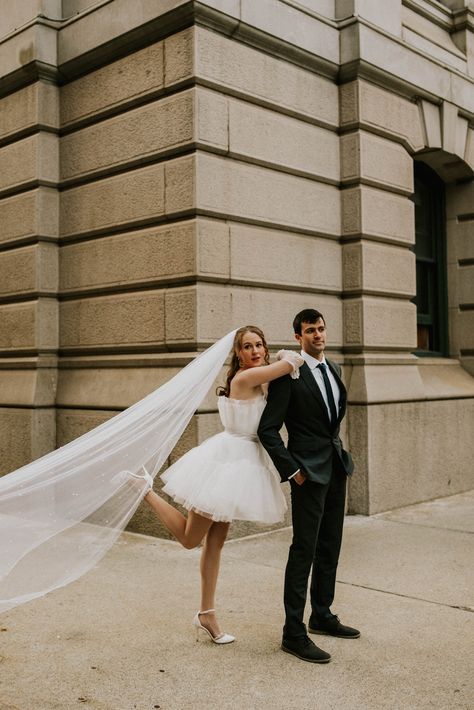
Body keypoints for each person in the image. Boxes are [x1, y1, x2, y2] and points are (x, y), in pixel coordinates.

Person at [141, 326, 304, 645]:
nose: (256, 351)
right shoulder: (245, 379)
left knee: (215, 544)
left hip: (238, 464)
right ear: (238, 354)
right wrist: (286, 355)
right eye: (248, 347)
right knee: (191, 539)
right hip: (225, 464)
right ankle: (143, 490)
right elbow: (292, 363)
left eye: (260, 345)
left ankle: (206, 614)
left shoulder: (255, 378)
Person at [257, 309, 360, 664]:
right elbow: (268, 429)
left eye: (321, 328)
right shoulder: (290, 376)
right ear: (298, 336)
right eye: (310, 331)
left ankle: (322, 615)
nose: (318, 335)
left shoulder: (334, 369)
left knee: (330, 545)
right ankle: (293, 633)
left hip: (334, 468)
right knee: (304, 549)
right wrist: (292, 470)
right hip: (307, 473)